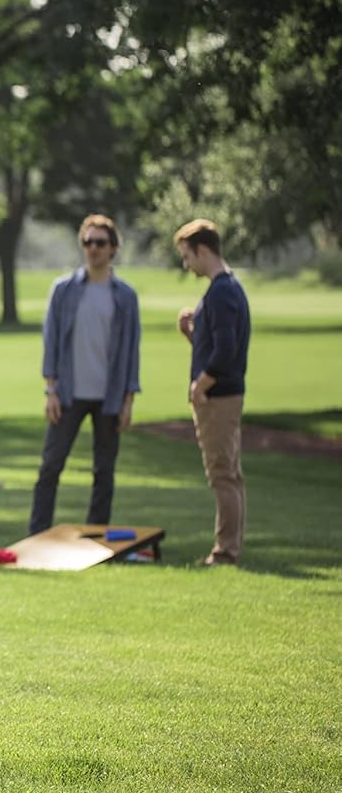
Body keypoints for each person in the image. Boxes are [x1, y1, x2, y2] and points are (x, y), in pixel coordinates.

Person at [30, 213, 142, 534]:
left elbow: (131, 350)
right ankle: (37, 533)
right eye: (88, 242)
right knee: (50, 466)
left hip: (109, 397)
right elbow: (51, 342)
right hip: (67, 394)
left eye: (100, 243)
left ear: (113, 249)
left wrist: (128, 401)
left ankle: (96, 537)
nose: (93, 248)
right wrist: (50, 390)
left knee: (104, 472)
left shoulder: (125, 296)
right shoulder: (63, 290)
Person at [176, 218, 251, 566]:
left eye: (187, 256)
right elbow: (215, 346)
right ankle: (230, 546)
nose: (186, 264)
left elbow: (224, 352)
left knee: (222, 474)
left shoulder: (221, 292)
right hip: (224, 393)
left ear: (203, 250)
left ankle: (225, 552)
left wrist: (199, 386)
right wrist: (191, 333)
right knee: (230, 474)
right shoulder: (227, 288)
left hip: (218, 397)